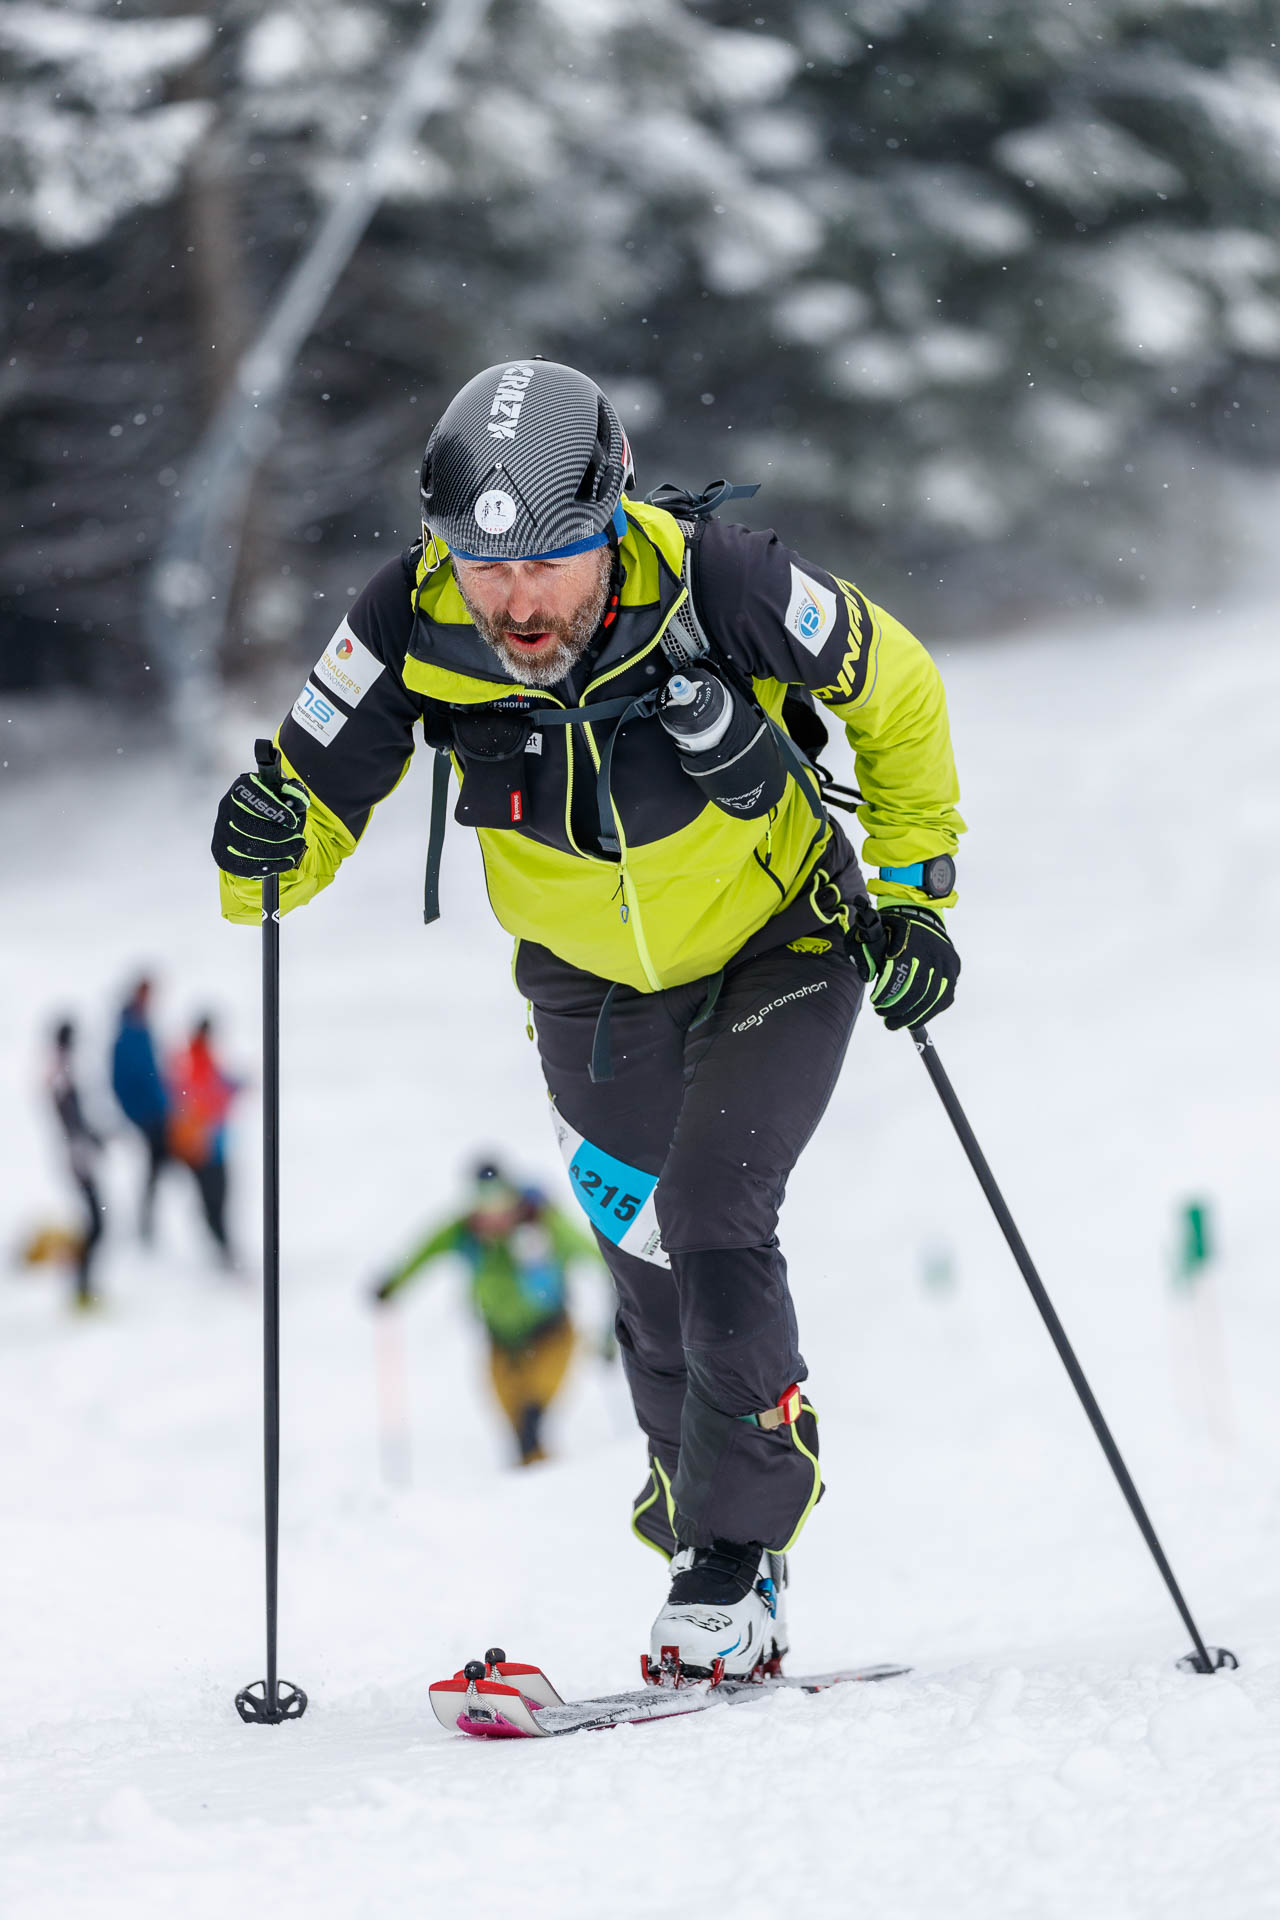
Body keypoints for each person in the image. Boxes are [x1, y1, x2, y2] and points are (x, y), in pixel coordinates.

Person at [211, 358, 964, 1682]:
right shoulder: (403, 622)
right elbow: (304, 807)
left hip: (780, 937)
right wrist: (260, 846)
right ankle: (710, 1522)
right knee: (646, 1273)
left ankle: (732, 1559)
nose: (517, 601)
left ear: (608, 523)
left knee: (718, 1220)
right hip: (586, 985)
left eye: (551, 562)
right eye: (485, 568)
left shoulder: (720, 582)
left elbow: (895, 693)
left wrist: (912, 893)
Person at [371, 1159, 611, 1466]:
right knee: (514, 1424)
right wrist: (393, 1285)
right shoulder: (464, 1233)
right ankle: (533, 1482)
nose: (493, 1214)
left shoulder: (545, 1224)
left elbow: (597, 1255)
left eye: (500, 1202)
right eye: (484, 1205)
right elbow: (424, 1252)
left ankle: (545, 1479)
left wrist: (622, 1307)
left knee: (531, 1416)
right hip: (500, 1343)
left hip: (552, 1336)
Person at [166, 1016, 241, 1268]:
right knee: (215, 1201)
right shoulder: (195, 1063)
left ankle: (223, 1249)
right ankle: (223, 1251)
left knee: (215, 1202)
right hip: (205, 1147)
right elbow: (201, 1100)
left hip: (206, 1145)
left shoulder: (198, 1059)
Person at [47, 1019, 105, 1309]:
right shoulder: (61, 1072)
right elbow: (70, 1119)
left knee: (94, 1223)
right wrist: (89, 1139)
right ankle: (81, 1289)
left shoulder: (61, 1069)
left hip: (79, 1155)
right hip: (79, 1157)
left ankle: (83, 1287)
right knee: (96, 1224)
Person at [110, 976, 170, 1243]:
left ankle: (148, 1225)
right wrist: (139, 1112)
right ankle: (146, 1227)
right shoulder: (128, 1032)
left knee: (159, 1167)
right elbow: (125, 1079)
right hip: (148, 1114)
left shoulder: (142, 1027)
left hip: (158, 1110)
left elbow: (154, 1073)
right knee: (157, 1167)